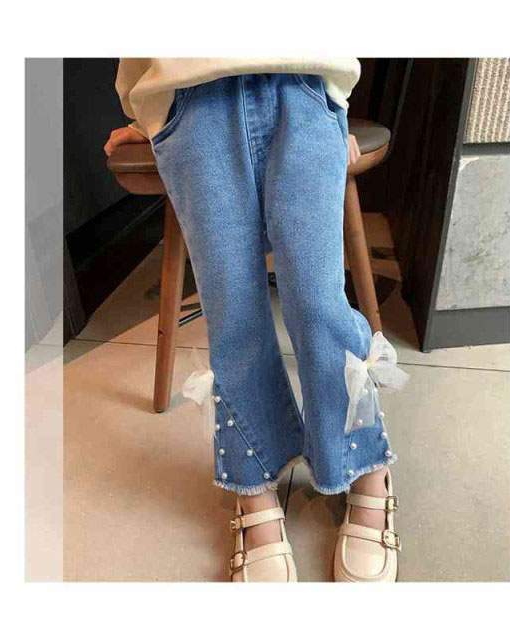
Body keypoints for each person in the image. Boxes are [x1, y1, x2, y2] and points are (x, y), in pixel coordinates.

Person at [105, 58, 408, 582]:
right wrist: (144, 104)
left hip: (303, 85)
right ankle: (254, 485)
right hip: (192, 99)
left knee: (319, 304)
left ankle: (363, 462)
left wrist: (336, 95)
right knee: (233, 315)